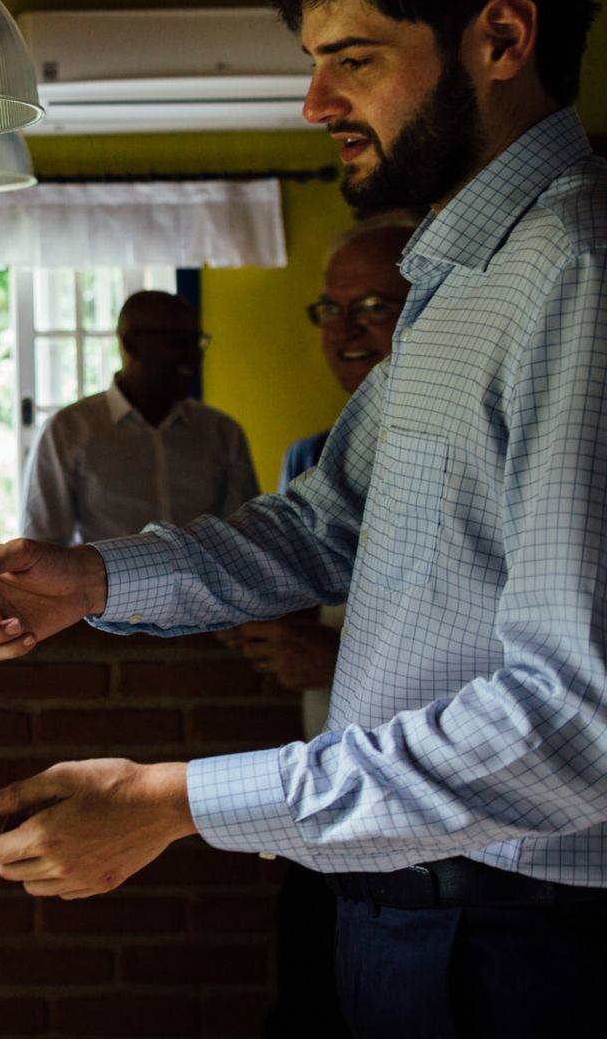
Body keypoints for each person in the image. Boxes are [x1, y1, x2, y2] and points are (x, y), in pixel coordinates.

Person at [0, 0, 606, 1035]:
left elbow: (572, 726)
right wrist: (92, 579)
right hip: (411, 911)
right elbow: (324, 522)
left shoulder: (579, 272)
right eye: (314, 63)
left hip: (516, 942)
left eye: (354, 59)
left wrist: (177, 801)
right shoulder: (458, 274)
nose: (314, 103)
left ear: (502, 38)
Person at [217, 216, 412, 1039]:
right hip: (322, 789)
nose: (345, 330)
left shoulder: (481, 449)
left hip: (427, 811)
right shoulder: (312, 460)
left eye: (372, 305)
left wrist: (336, 659)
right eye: (330, 309)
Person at [18, 290, 260, 544]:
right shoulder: (68, 431)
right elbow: (43, 543)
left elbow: (247, 537)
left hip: (207, 573)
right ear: (130, 344)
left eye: (197, 341)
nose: (196, 356)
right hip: (106, 573)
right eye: (179, 342)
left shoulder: (222, 432)